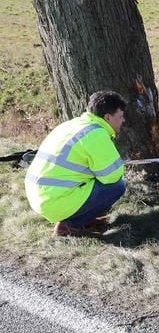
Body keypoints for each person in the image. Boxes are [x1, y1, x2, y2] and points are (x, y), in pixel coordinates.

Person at [25, 90, 127, 237]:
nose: (123, 121)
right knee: (118, 186)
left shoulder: (72, 125)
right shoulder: (96, 134)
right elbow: (112, 177)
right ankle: (70, 225)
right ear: (108, 117)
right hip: (54, 201)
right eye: (121, 116)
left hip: (38, 195)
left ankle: (85, 218)